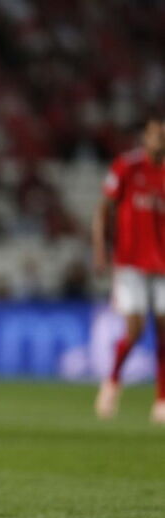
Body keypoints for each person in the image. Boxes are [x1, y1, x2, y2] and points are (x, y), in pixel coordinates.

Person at [93, 115, 165, 424]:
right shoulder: (127, 167)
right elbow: (103, 208)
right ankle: (112, 381)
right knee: (134, 330)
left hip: (163, 265)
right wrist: (100, 248)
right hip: (130, 263)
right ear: (145, 137)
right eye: (155, 134)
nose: (160, 140)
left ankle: (161, 401)